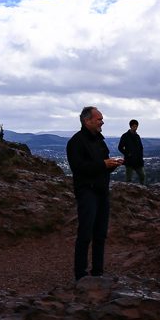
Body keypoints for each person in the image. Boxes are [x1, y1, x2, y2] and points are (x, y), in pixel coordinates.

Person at [66, 106, 124, 281]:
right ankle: (81, 274)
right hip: (86, 192)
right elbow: (79, 168)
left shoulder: (99, 140)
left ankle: (98, 271)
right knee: (85, 233)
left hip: (102, 191)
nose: (102, 122)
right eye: (99, 119)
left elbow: (102, 166)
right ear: (87, 121)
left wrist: (111, 166)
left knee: (100, 233)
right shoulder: (76, 142)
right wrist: (103, 165)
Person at [118, 119, 146, 184]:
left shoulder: (137, 136)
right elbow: (120, 147)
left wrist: (141, 156)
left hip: (138, 161)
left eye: (136, 126)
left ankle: (142, 189)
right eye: (134, 126)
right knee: (128, 179)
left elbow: (141, 147)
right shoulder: (125, 136)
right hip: (129, 161)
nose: (135, 128)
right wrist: (127, 154)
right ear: (130, 126)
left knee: (142, 176)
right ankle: (128, 192)